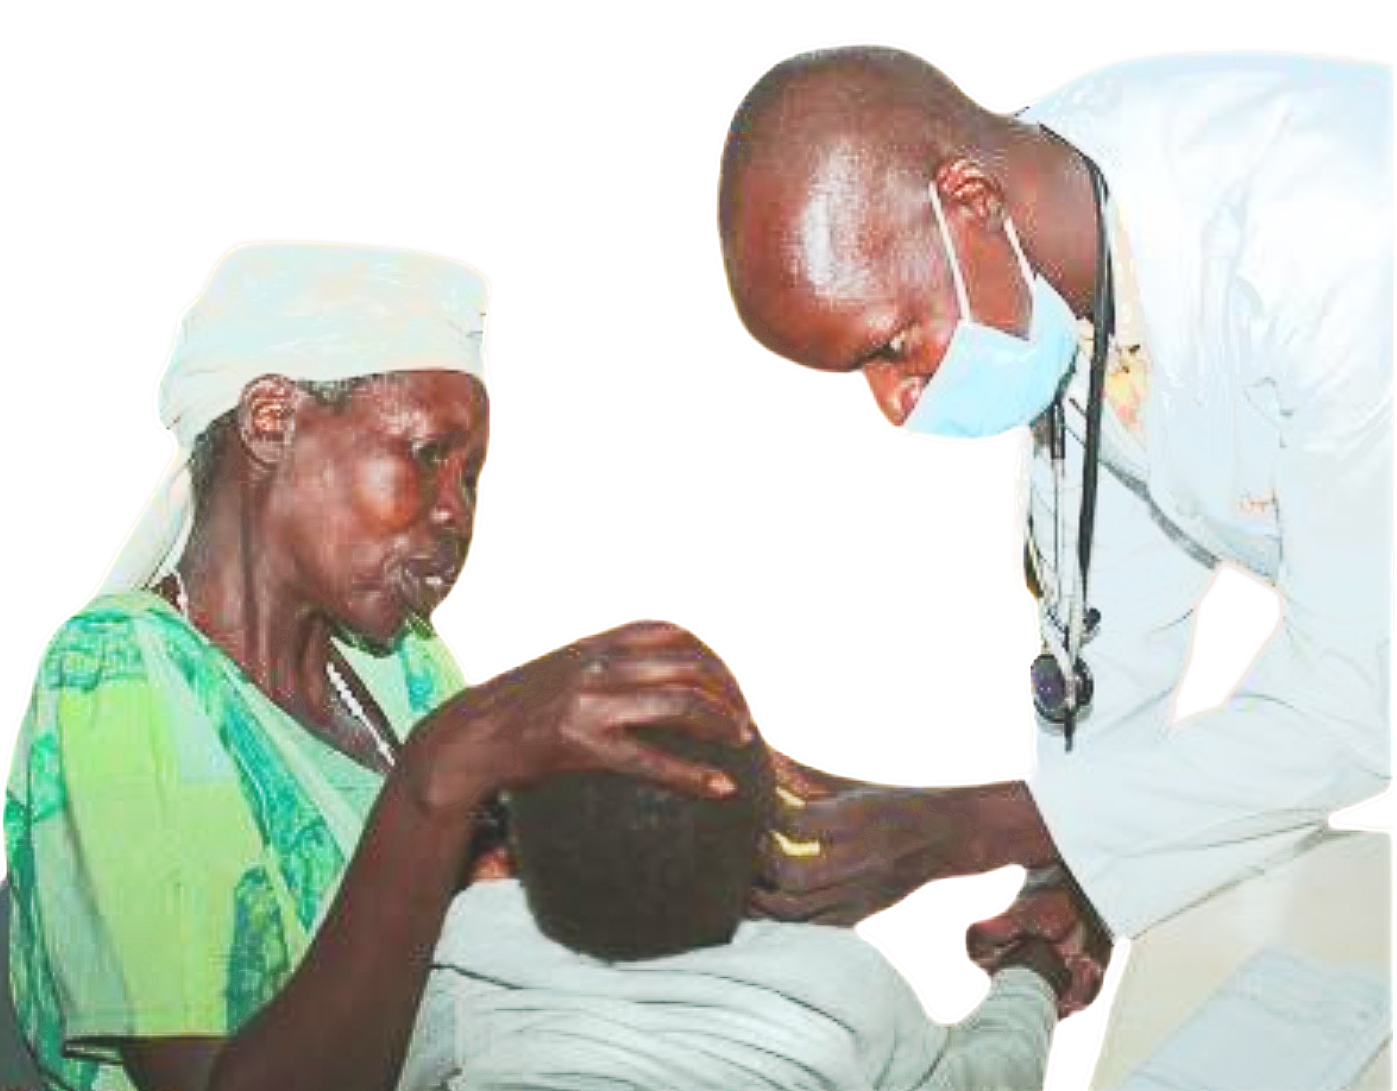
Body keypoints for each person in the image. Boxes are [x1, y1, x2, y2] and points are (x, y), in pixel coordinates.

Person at [714, 42, 1392, 1006]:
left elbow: (1356, 696)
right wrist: (1067, 875)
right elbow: (1102, 591)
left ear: (970, 203)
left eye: (891, 347)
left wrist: (965, 828)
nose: (896, 409)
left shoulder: (1334, 232)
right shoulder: (1053, 228)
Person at [2, 235, 756, 1091]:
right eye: (429, 453)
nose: (454, 513)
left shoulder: (400, 664)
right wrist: (436, 781)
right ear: (272, 420)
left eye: (472, 477)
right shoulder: (117, 669)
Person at [395, 725, 1068, 1091]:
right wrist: (1033, 976)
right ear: (763, 860)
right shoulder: (841, 981)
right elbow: (990, 1079)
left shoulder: (480, 934)